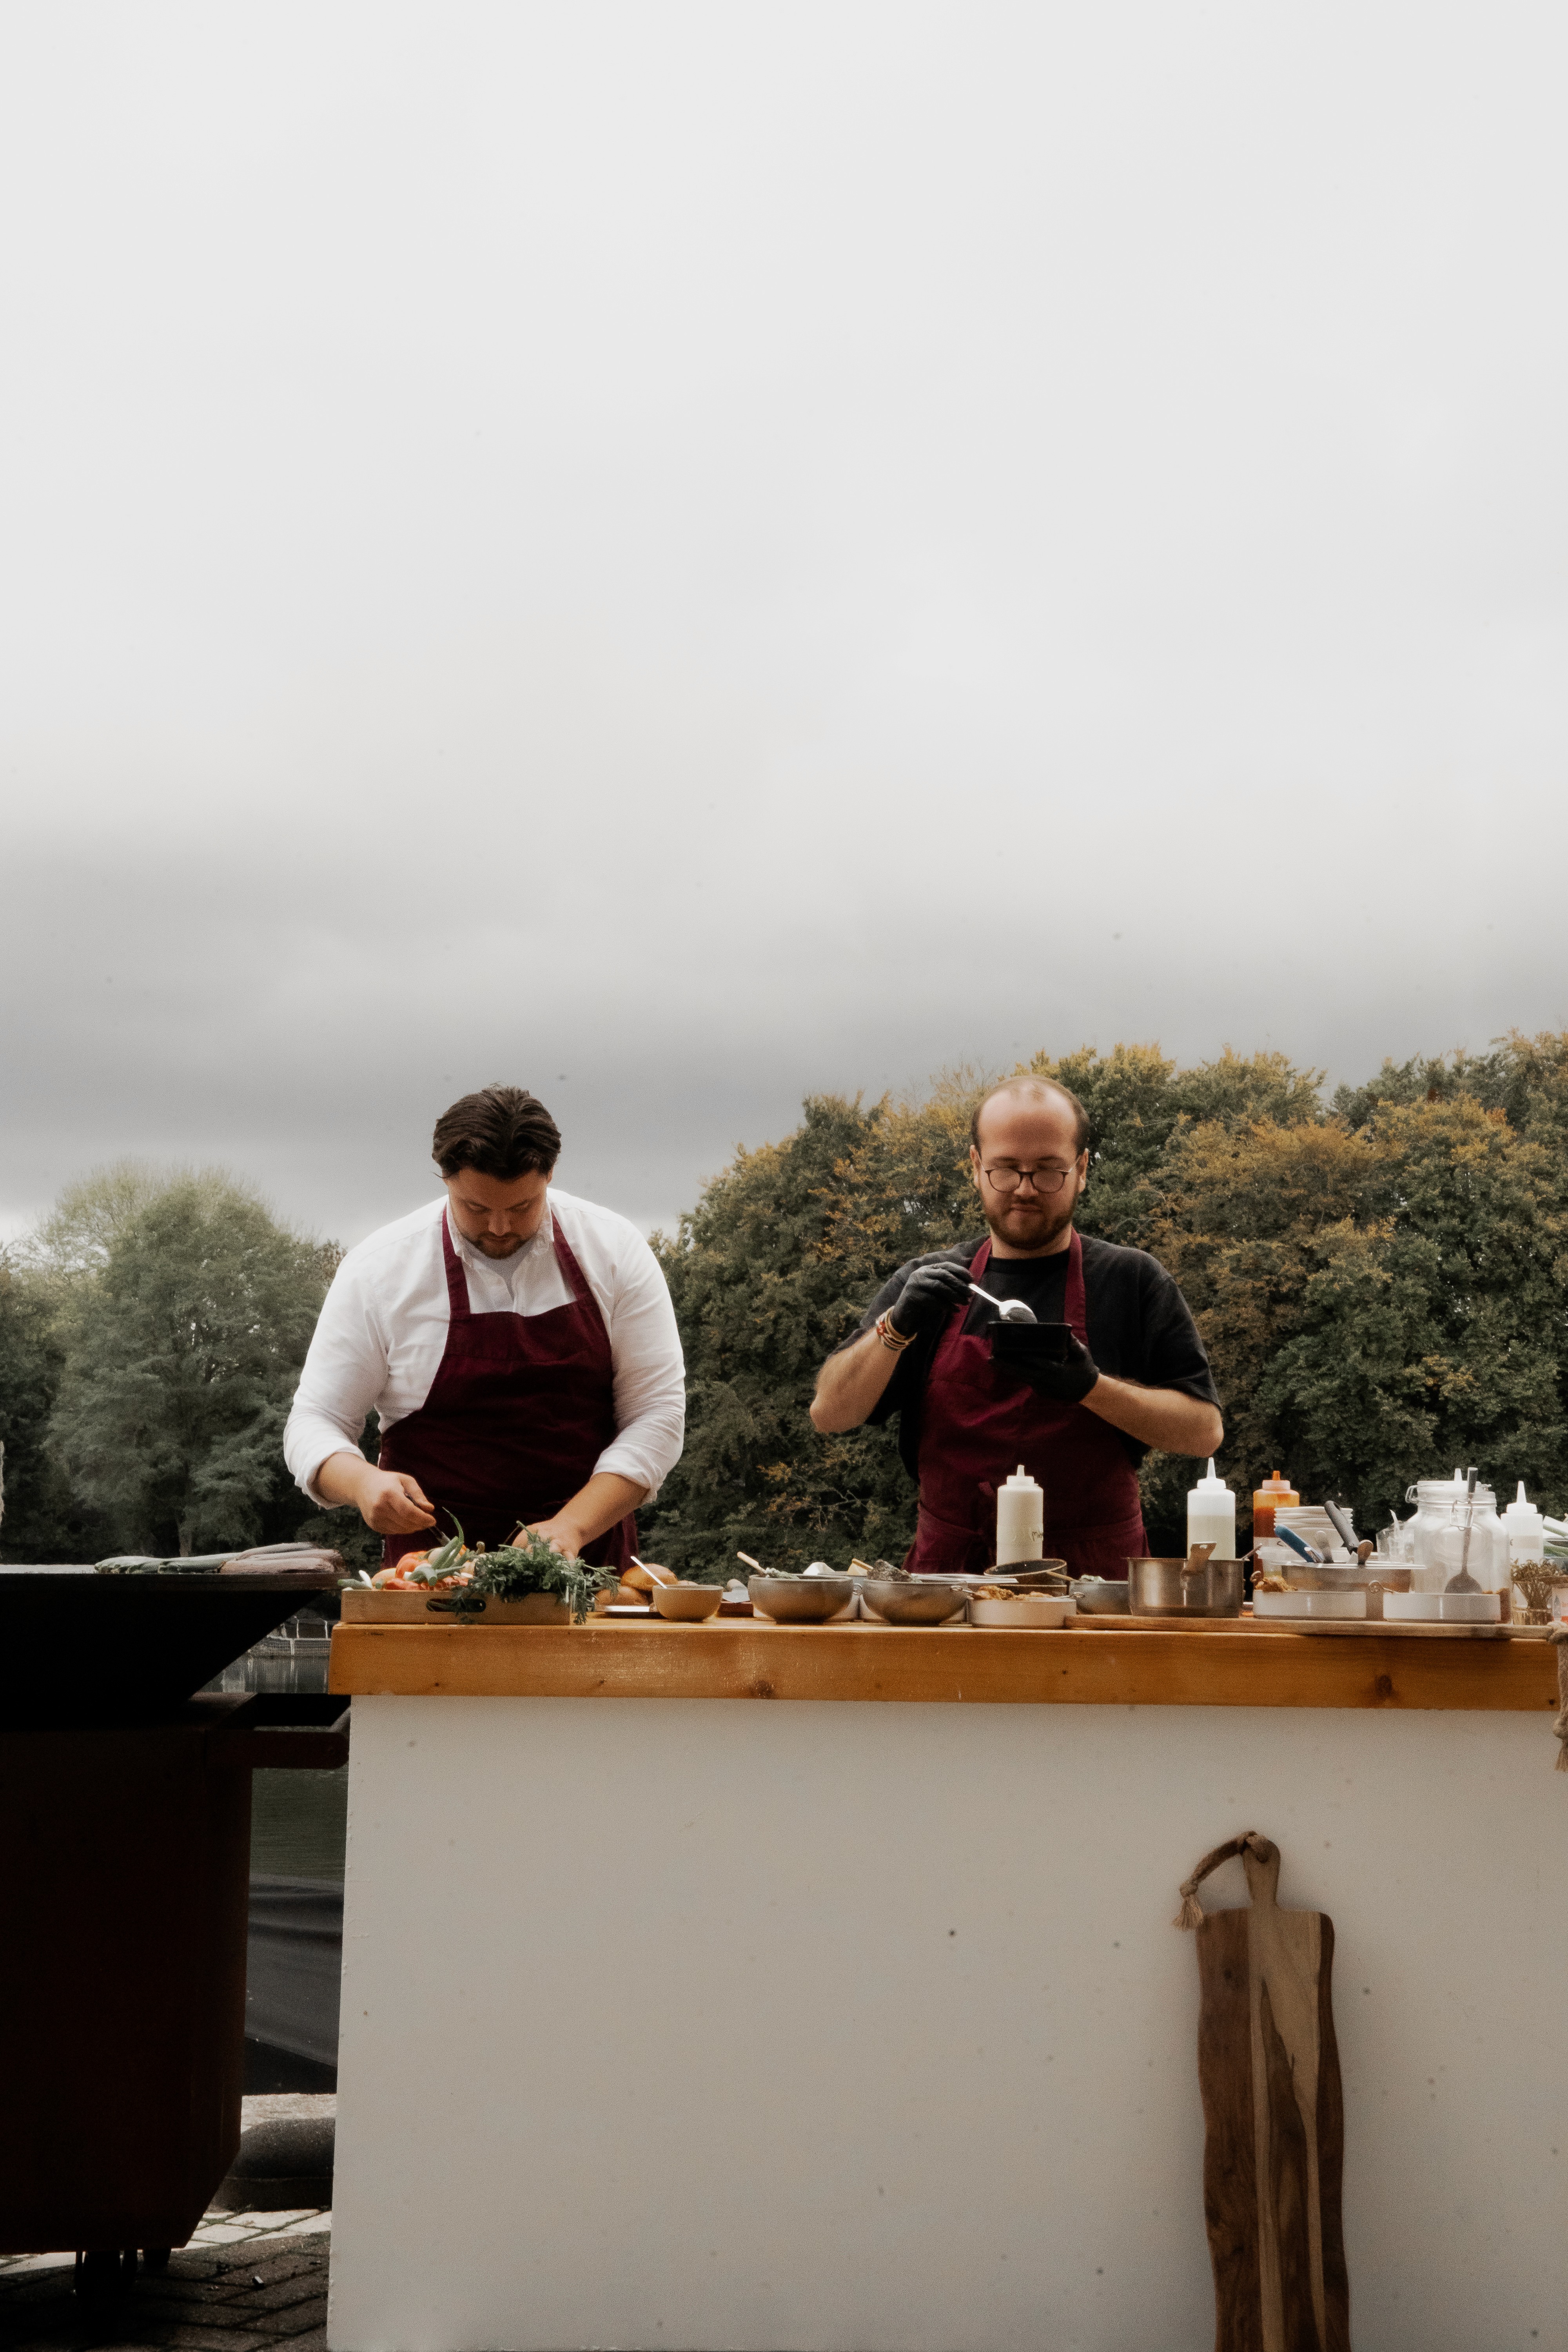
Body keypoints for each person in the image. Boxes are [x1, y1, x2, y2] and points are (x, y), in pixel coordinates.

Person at [809, 1076, 1222, 1577]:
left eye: (1048, 1171)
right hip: (950, 1583)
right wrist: (894, 1327)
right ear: (975, 1168)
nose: (1025, 1190)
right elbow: (830, 1412)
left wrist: (1091, 1388)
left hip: (1094, 1584)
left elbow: (1203, 1432)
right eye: (1005, 1170)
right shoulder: (930, 1284)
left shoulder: (1131, 1280)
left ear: (1083, 1169)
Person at [283, 1085, 684, 1568]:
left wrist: (572, 1527)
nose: (498, 1227)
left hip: (587, 1571)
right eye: (475, 1208)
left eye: (522, 1207)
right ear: (445, 1178)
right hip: (431, 1576)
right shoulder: (379, 1270)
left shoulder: (615, 1251)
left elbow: (657, 1415)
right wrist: (362, 1483)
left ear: (550, 1174)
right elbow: (314, 1420)